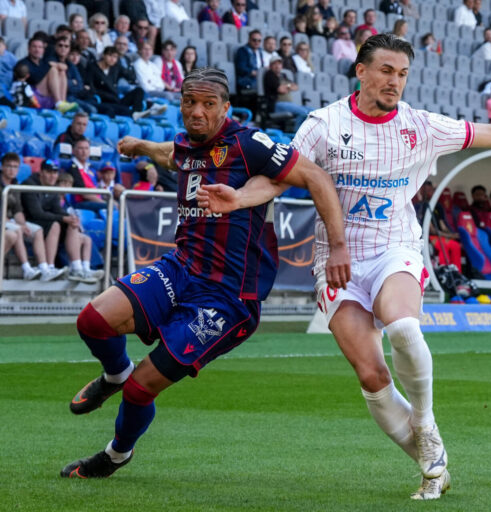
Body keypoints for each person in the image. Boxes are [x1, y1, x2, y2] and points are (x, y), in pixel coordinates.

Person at [197, 34, 491, 500]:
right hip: (336, 260)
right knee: (372, 377)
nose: (394, 81)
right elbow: (279, 178)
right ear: (360, 71)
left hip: (396, 247)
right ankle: (431, 465)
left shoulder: (422, 125)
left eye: (402, 74)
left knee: (403, 328)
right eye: (385, 71)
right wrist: (238, 197)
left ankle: (426, 421)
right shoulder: (322, 125)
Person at [60, 67, 350, 480]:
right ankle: (114, 375)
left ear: (226, 107)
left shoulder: (249, 144)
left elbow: (316, 177)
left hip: (227, 298)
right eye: (189, 103)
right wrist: (140, 146)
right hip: (182, 269)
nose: (197, 112)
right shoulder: (187, 145)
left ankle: (116, 454)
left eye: (208, 104)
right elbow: (170, 153)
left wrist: (338, 247)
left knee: (143, 388)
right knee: (92, 321)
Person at [21, 160, 101, 283]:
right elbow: (36, 213)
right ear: (41, 172)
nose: (52, 176)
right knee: (56, 225)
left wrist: (72, 219)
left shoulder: (52, 188)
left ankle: (78, 268)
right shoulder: (29, 184)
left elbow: (58, 210)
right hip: (30, 222)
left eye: (55, 172)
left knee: (71, 224)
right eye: (49, 172)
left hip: (45, 222)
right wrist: (64, 218)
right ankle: (50, 266)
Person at [0, 152, 66, 281]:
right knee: (16, 230)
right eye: (9, 166)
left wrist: (23, 224)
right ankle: (27, 269)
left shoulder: (16, 184)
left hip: (11, 221)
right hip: (4, 220)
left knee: (36, 230)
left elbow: (18, 210)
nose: (12, 170)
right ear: (2, 167)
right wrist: (16, 224)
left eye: (15, 167)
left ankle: (45, 269)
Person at [18, 37, 78, 113]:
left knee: (61, 72)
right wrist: (51, 66)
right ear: (28, 48)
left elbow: (65, 68)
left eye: (40, 47)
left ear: (43, 50)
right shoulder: (23, 63)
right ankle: (58, 103)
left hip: (46, 95)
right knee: (52, 69)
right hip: (32, 98)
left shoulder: (43, 62)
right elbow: (33, 79)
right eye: (34, 46)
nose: (37, 50)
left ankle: (62, 102)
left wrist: (54, 65)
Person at [414, 181, 462, 269]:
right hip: (428, 237)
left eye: (430, 190)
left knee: (456, 246)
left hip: (440, 236)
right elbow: (431, 230)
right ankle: (444, 271)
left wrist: (452, 235)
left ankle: (456, 273)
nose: (428, 192)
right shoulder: (420, 206)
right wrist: (449, 235)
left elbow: (442, 225)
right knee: (443, 246)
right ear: (421, 191)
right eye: (426, 190)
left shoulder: (438, 206)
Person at [263, 56, 312, 131]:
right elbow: (281, 90)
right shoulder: (270, 75)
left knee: (312, 111)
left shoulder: (283, 76)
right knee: (303, 112)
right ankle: (297, 135)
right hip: (277, 104)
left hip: (288, 104)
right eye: (274, 64)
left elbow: (295, 87)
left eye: (279, 64)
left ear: (281, 65)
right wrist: (289, 86)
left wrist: (287, 86)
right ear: (270, 66)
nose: (277, 66)